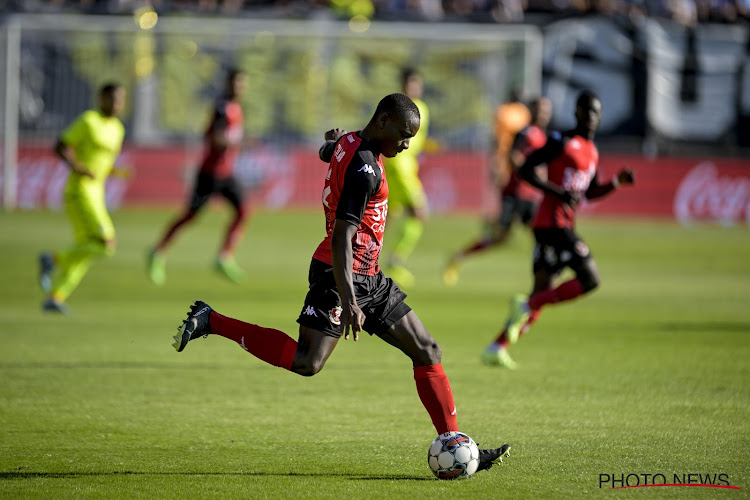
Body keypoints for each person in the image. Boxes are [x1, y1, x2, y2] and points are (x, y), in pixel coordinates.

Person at [172, 93, 510, 471]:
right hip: (340, 275)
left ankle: (456, 442)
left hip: (369, 276)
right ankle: (212, 320)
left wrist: (330, 145)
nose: (406, 144)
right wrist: (350, 300)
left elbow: (326, 153)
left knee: (427, 349)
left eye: (410, 137)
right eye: (403, 134)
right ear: (382, 120)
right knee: (307, 363)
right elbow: (341, 237)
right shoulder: (366, 168)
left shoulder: (350, 141)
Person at [483, 90, 634, 369]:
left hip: (559, 224)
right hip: (552, 224)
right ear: (577, 112)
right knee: (590, 279)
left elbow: (589, 192)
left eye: (596, 112)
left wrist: (616, 183)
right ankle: (524, 307)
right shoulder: (562, 141)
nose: (591, 117)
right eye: (586, 111)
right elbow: (526, 169)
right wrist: (556, 191)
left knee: (542, 291)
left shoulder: (592, 151)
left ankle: (497, 346)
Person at [148, 68, 250, 285]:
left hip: (226, 173)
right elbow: (213, 138)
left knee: (243, 210)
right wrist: (236, 143)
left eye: (242, 84)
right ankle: (157, 252)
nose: (239, 87)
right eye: (235, 83)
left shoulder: (235, 107)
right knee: (190, 215)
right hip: (210, 173)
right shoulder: (222, 109)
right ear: (227, 84)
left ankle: (224, 257)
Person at [443, 96, 552, 286]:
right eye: (540, 109)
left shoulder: (542, 135)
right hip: (516, 193)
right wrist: (530, 172)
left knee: (539, 235)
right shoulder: (525, 133)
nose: (543, 114)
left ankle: (545, 277)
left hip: (531, 195)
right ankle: (459, 256)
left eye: (546, 110)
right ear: (532, 111)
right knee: (503, 237)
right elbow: (513, 157)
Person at [38, 82, 127, 314]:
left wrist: (116, 172)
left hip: (97, 193)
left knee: (86, 248)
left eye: (120, 100)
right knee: (107, 244)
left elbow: (103, 162)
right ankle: (52, 259)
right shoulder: (89, 121)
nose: (117, 104)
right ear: (102, 98)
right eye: (113, 99)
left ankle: (56, 296)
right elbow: (61, 145)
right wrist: (77, 167)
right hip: (80, 191)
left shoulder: (118, 128)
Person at [382, 68, 431, 288]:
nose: (415, 88)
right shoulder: (396, 108)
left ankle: (363, 257)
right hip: (398, 167)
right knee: (419, 213)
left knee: (387, 216)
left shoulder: (423, 108)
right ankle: (396, 261)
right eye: (411, 83)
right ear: (403, 85)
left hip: (408, 167)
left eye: (417, 83)